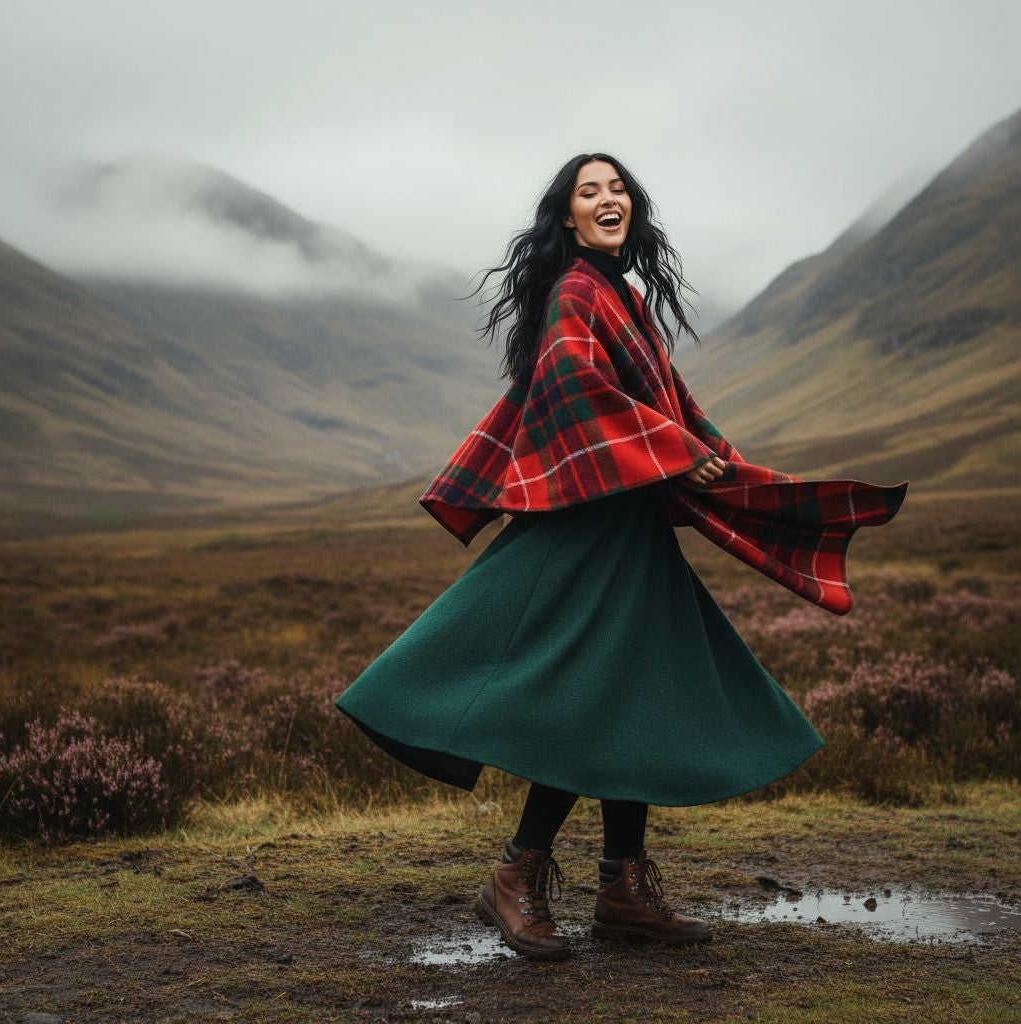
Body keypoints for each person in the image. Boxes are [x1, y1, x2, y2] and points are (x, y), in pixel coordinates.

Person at [334, 152, 907, 961]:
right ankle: (519, 876)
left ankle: (621, 889)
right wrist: (674, 451)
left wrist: (707, 455)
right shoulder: (576, 291)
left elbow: (664, 401)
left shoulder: (621, 295)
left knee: (628, 699)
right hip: (591, 528)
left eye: (617, 190)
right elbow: (574, 388)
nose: (607, 200)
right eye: (588, 192)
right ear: (567, 216)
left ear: (631, 208)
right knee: (590, 699)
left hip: (624, 525)